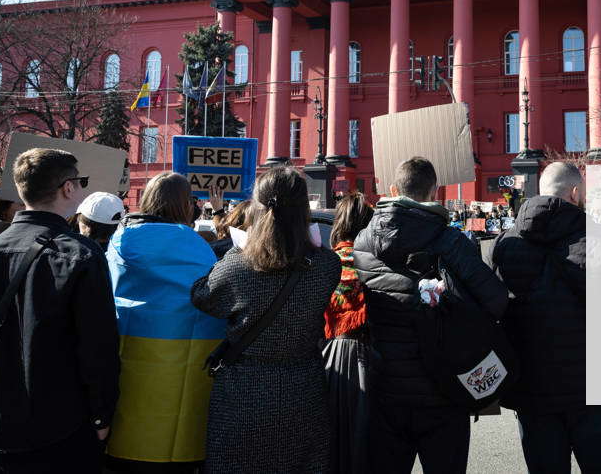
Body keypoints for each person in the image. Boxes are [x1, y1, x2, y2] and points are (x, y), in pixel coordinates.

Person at [353, 157, 508, 474]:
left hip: (384, 388)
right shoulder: (451, 240)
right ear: (435, 193)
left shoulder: (363, 241)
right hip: (444, 388)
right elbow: (495, 299)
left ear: (394, 190)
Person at [191, 167, 340, 474]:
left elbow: (204, 298)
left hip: (243, 390)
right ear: (303, 210)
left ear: (256, 208)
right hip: (304, 388)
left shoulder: (238, 264)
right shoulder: (327, 265)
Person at [487, 161, 601, 473]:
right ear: (575, 193)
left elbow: (491, 309)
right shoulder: (600, 241)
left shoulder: (505, 244)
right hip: (595, 384)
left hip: (531, 385)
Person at [0, 148, 119, 472]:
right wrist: (102, 414)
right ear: (68, 188)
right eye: (81, 182)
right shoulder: (81, 255)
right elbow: (97, 347)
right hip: (60, 427)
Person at [104, 172, 226, 472]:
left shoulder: (120, 240)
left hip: (129, 360)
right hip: (187, 367)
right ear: (184, 205)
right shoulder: (195, 245)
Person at [323, 191, 374, 474]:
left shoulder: (328, 262)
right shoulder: (375, 260)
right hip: (371, 352)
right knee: (365, 442)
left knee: (333, 438)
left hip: (332, 353)